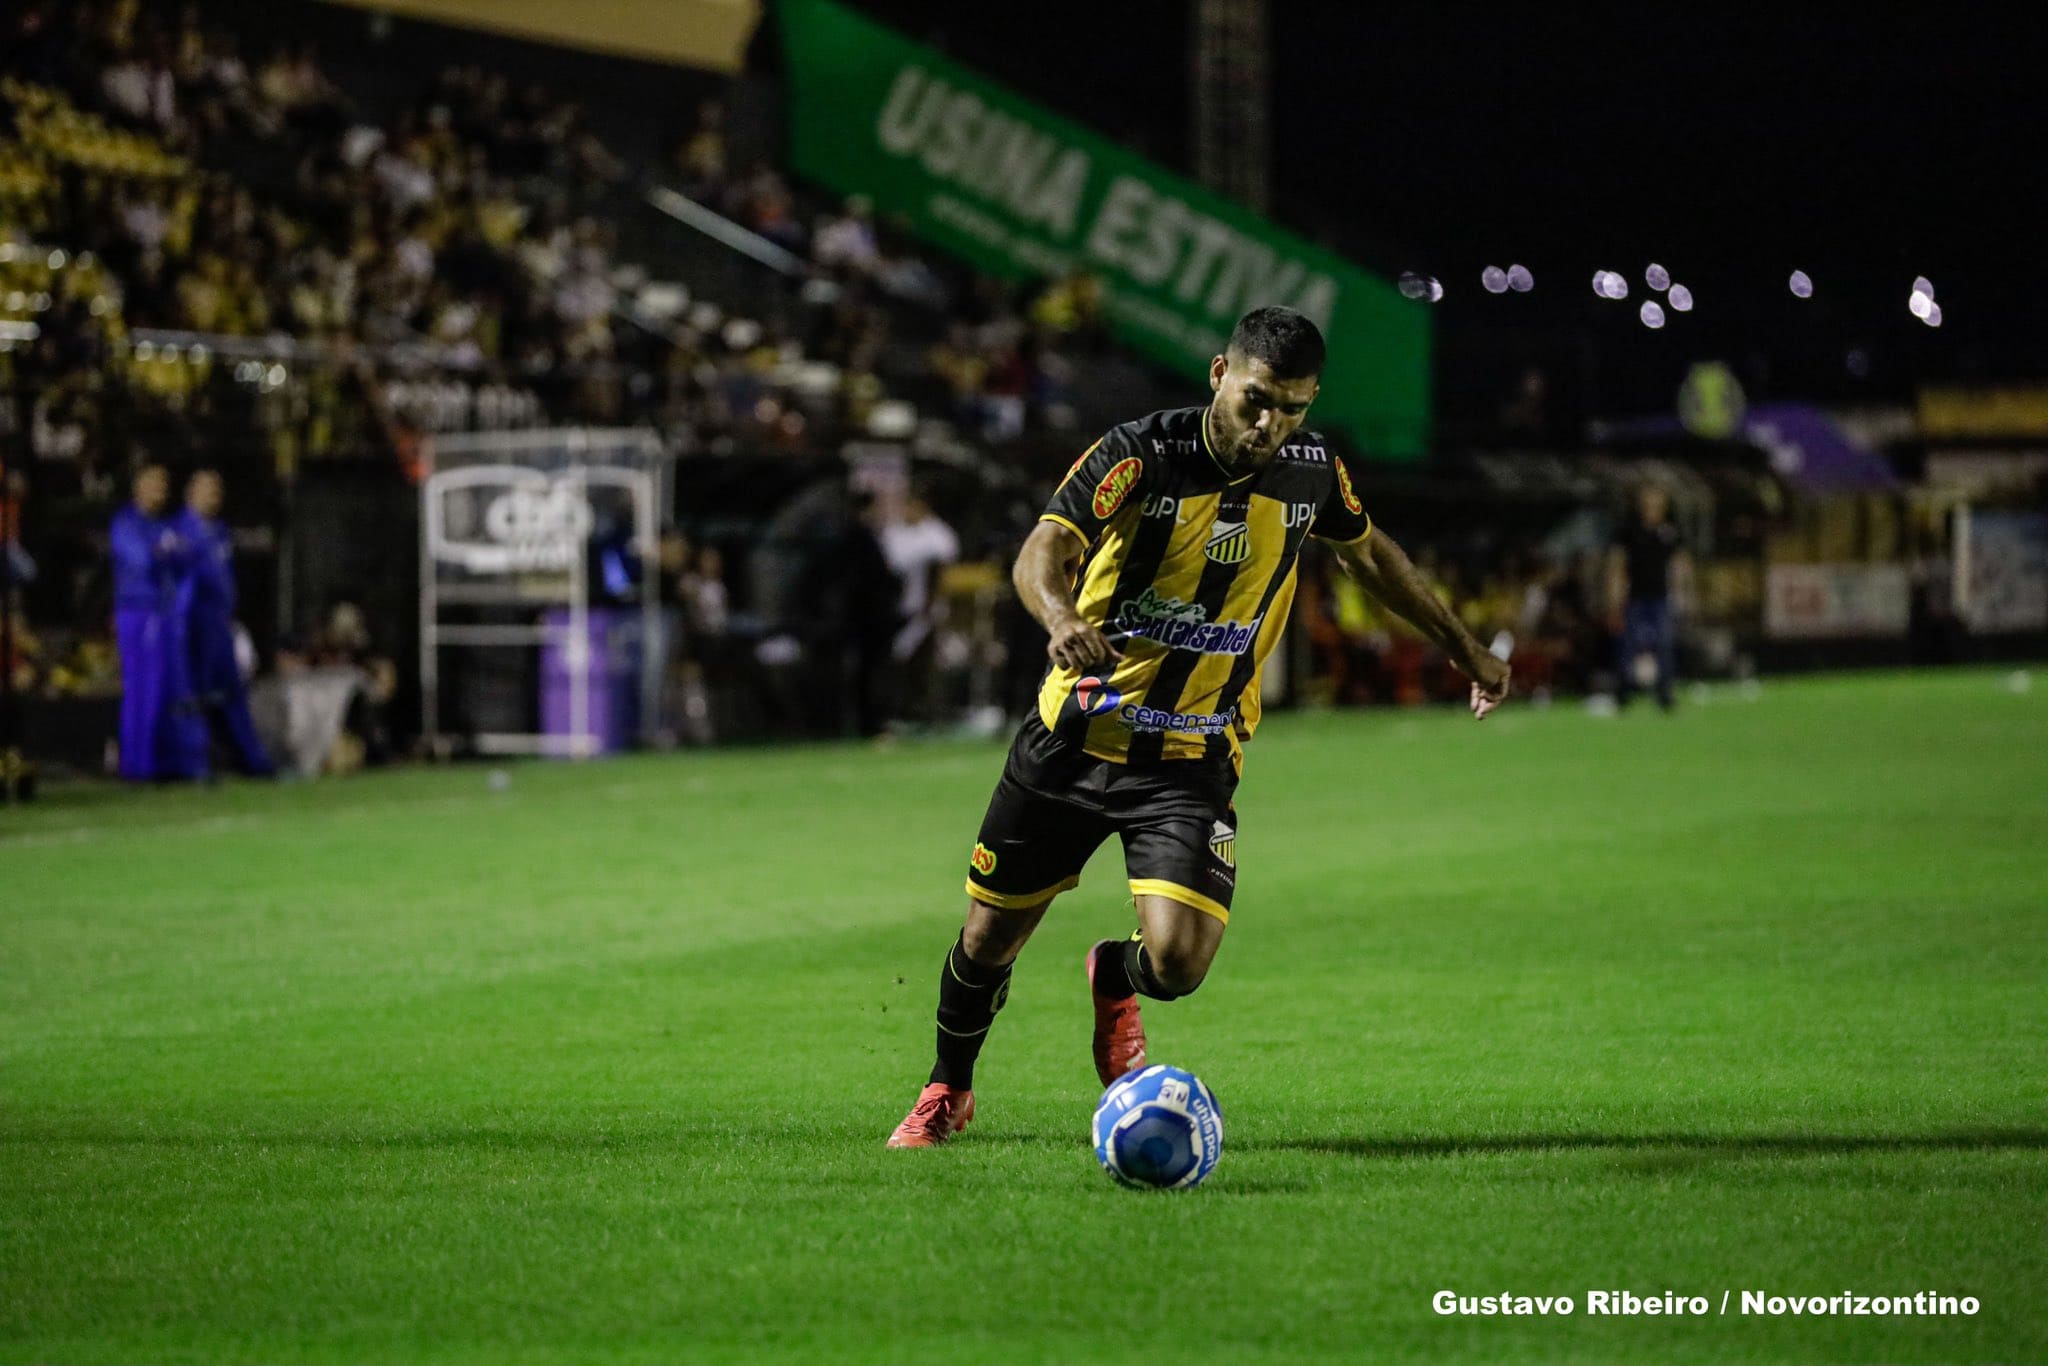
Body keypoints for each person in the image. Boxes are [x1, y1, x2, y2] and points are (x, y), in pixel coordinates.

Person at [886, 307, 1512, 1147]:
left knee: (1178, 965)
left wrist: (1466, 649)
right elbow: (1041, 549)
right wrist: (1059, 616)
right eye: (1257, 398)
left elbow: (1373, 556)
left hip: (1188, 759)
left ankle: (1115, 972)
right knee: (989, 936)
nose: (1270, 423)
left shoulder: (1311, 472)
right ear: (1221, 373)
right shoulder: (1139, 454)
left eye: (1292, 407)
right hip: (1071, 742)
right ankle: (947, 1086)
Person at [110, 464, 208, 781]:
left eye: (163, 485)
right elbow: (144, 559)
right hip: (138, 612)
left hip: (162, 612)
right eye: (153, 484)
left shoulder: (163, 526)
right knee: (143, 689)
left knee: (168, 688)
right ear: (137, 487)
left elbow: (186, 558)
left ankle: (167, 763)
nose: (159, 491)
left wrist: (167, 552)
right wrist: (166, 552)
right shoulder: (125, 524)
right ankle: (137, 766)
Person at [176, 469, 274, 775]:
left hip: (221, 624)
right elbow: (183, 587)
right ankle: (199, 764)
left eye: (217, 491)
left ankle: (255, 763)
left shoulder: (218, 531)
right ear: (191, 493)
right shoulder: (181, 532)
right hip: (196, 625)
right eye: (207, 490)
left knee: (233, 694)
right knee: (197, 695)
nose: (214, 497)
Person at [1605, 484, 1690, 711]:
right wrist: (1614, 598)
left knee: (1664, 643)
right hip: (1634, 598)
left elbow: (1681, 563)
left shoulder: (1669, 531)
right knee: (1627, 645)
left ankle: (1664, 693)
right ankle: (1624, 691)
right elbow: (1617, 565)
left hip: (1660, 598)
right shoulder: (1629, 531)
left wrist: (1684, 592)